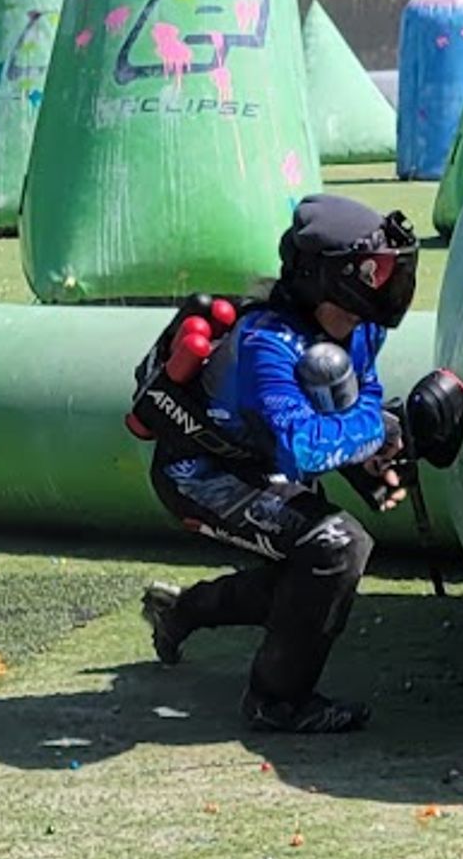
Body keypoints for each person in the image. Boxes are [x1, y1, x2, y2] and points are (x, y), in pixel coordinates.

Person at [134, 194, 428, 734]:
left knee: (307, 572)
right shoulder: (266, 342)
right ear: (322, 278)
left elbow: (359, 397)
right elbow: (305, 446)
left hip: (264, 465)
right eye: (369, 272)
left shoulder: (362, 328)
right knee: (335, 547)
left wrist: (369, 457)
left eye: (385, 271)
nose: (381, 285)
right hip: (201, 475)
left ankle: (184, 611)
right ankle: (276, 701)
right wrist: (381, 430)